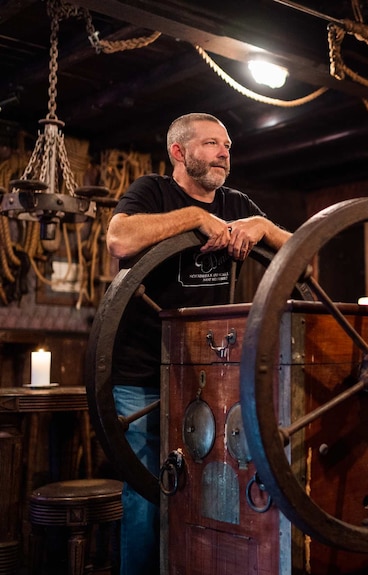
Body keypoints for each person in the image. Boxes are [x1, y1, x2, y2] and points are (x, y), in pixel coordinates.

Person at [105, 112, 291, 575]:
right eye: (210, 144)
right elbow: (119, 239)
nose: (224, 152)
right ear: (178, 153)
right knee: (148, 494)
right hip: (142, 378)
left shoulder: (237, 203)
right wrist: (195, 218)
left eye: (226, 144)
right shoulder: (152, 192)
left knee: (216, 493)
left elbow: (301, 254)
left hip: (209, 383)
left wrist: (263, 228)